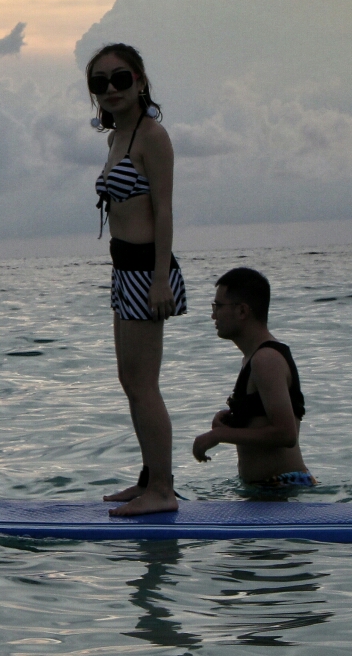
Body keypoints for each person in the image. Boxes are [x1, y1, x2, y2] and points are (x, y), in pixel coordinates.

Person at [88, 43, 190, 517]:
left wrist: (159, 280)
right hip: (123, 270)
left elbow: (164, 211)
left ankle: (163, 491)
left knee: (145, 384)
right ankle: (149, 478)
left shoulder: (153, 136)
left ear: (141, 81)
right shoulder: (116, 140)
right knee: (129, 380)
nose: (111, 88)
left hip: (149, 270)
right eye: (100, 82)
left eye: (121, 78)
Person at [192, 267, 314, 488]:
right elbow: (264, 419)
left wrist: (219, 435)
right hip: (266, 489)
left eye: (218, 306)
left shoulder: (266, 359)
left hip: (281, 487)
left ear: (242, 311)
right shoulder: (252, 358)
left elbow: (286, 434)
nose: (213, 315)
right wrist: (230, 422)